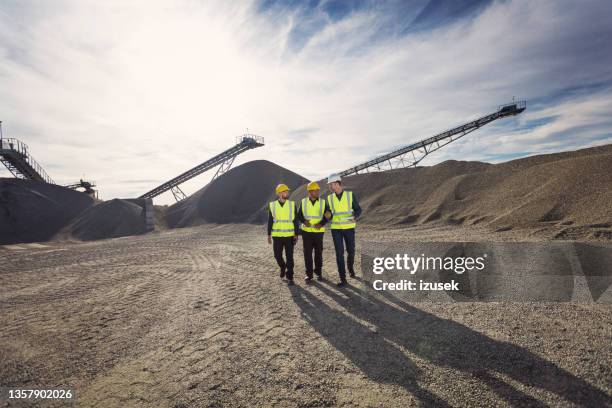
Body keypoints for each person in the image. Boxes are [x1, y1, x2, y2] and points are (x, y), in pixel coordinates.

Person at [326, 173, 362, 287]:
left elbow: (358, 209)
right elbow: (330, 214)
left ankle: (351, 269)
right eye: (330, 184)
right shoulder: (329, 198)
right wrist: (328, 216)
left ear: (337, 183)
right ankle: (343, 278)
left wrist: (354, 216)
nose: (330, 186)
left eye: (331, 184)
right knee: (339, 253)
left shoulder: (350, 195)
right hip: (336, 229)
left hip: (349, 228)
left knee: (351, 251)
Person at [297, 181, 331, 283]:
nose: (317, 192)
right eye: (315, 190)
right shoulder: (303, 202)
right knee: (307, 254)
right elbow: (299, 215)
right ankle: (309, 275)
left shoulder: (323, 202)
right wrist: (303, 221)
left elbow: (329, 215)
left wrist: (322, 223)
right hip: (306, 232)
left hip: (318, 232)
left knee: (318, 253)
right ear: (310, 192)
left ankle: (318, 272)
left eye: (318, 190)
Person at [267, 183, 299, 286]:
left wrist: (296, 234)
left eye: (287, 191)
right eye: (285, 191)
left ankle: (290, 277)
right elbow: (270, 221)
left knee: (290, 257)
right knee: (277, 255)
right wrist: (268, 234)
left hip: (289, 235)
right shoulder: (272, 205)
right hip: (277, 236)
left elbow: (295, 221)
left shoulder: (292, 204)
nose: (287, 193)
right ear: (280, 193)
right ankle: (282, 267)